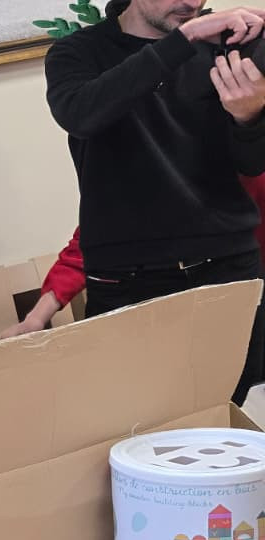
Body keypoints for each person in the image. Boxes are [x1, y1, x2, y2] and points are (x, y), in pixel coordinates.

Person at [42, 0, 265, 403]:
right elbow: (81, 114)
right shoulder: (77, 53)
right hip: (127, 280)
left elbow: (252, 163)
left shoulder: (228, 44)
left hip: (228, 266)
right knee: (131, 420)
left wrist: (249, 117)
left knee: (224, 417)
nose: (192, 3)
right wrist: (186, 38)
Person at [1, 172, 265, 339]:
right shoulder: (161, 179)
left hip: (239, 297)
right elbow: (90, 245)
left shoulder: (247, 168)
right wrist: (36, 317)